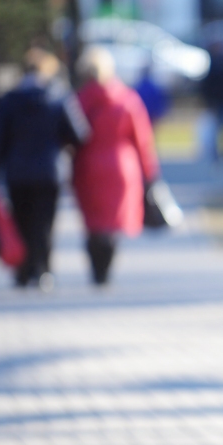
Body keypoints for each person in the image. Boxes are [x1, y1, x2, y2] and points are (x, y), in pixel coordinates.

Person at [0, 48, 89, 289]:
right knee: (44, 224)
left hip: (17, 171)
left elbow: (0, 139)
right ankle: (42, 270)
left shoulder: (10, 99)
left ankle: (22, 270)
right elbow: (79, 134)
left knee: (21, 221)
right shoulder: (60, 97)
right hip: (49, 171)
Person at [72, 46, 160, 286]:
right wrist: (150, 173)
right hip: (121, 166)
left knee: (93, 222)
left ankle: (96, 269)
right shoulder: (127, 99)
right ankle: (106, 268)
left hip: (88, 167)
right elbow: (142, 140)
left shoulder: (80, 100)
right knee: (112, 222)